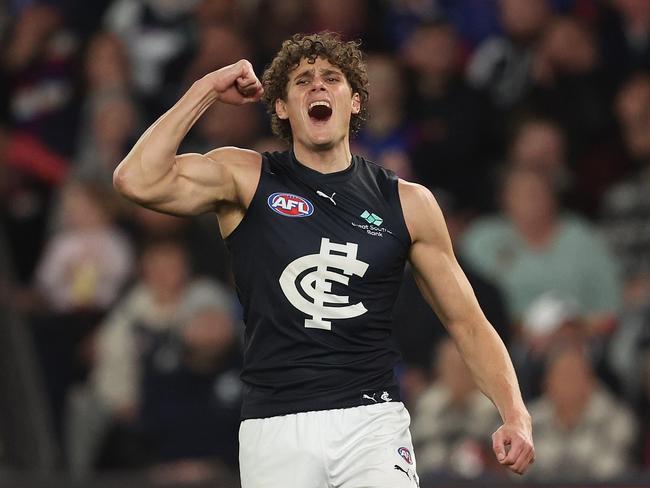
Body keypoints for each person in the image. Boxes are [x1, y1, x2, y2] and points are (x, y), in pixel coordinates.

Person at [113, 32, 534, 487]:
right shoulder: (246, 177)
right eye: (302, 81)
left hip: (371, 421)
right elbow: (137, 180)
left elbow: (468, 322)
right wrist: (206, 91)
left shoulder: (407, 203)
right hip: (275, 425)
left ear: (354, 102)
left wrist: (515, 414)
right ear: (280, 107)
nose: (318, 87)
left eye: (332, 79)